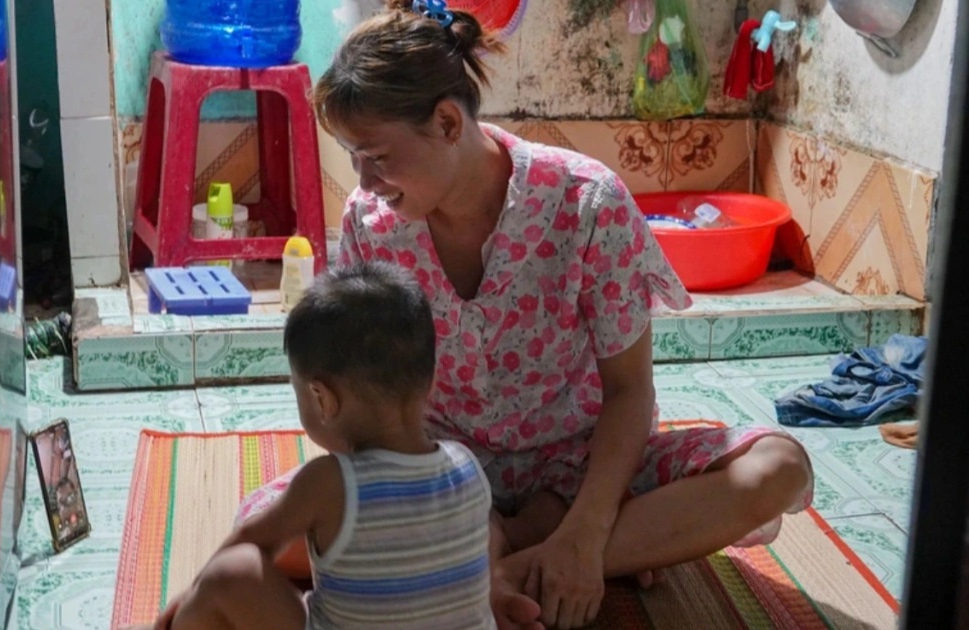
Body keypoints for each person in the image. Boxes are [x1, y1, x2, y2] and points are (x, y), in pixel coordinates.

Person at [232, 2, 815, 629]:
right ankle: (539, 545)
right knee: (266, 528)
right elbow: (369, 395)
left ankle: (522, 562)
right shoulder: (372, 225)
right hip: (440, 471)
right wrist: (432, 498)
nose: (364, 180)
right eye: (352, 157)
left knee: (776, 470)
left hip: (585, 465)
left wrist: (587, 532)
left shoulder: (587, 202)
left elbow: (628, 390)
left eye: (376, 155)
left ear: (449, 123)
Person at [148, 262, 498, 630]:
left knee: (231, 573)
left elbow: (249, 542)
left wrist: (189, 594)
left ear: (322, 400)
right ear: (430, 380)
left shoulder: (329, 483)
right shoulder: (468, 467)